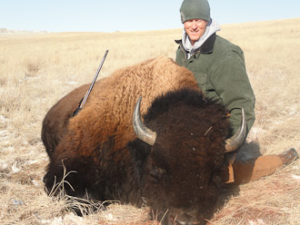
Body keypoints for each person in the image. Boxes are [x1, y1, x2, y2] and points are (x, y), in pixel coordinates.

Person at [175, 0, 298, 184]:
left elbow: (242, 104)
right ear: (183, 22)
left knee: (224, 178)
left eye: (199, 20)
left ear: (207, 20)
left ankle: (281, 159)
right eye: (189, 20)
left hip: (216, 133)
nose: (193, 26)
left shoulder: (225, 55)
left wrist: (226, 146)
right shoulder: (181, 52)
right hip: (189, 131)